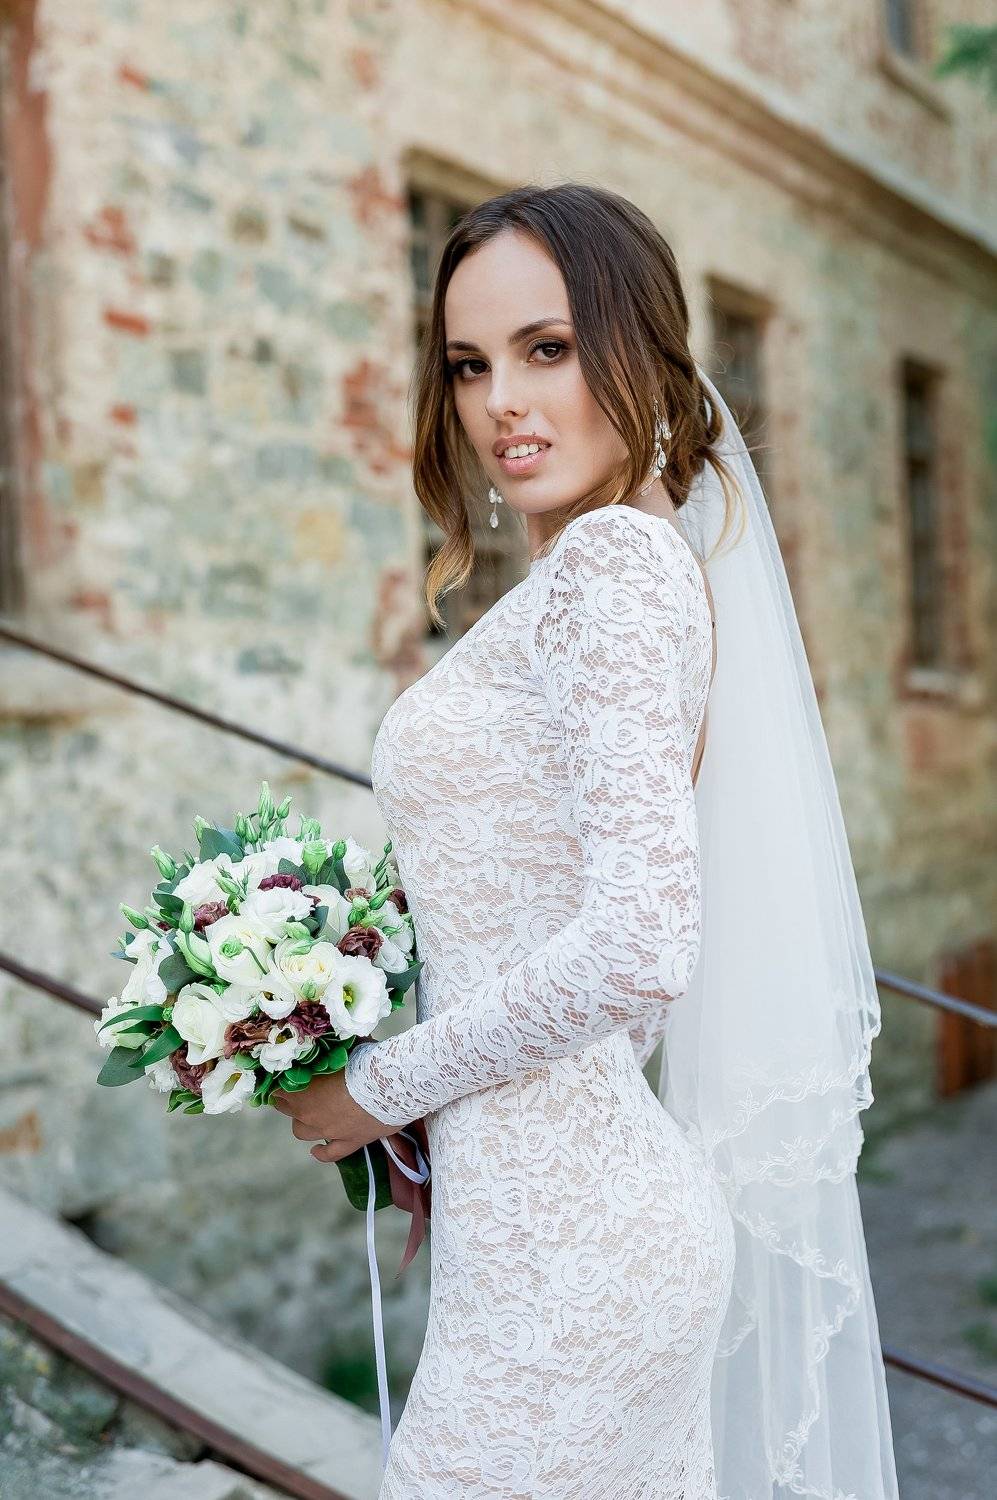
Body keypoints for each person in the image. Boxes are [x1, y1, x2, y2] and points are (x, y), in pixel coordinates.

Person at [272, 182, 899, 1499]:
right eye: (469, 364)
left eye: (545, 349)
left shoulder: (614, 569)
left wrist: (379, 1086)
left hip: (579, 1256)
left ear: (636, 353)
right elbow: (546, 912)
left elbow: (635, 947)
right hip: (530, 1232)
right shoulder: (602, 573)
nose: (502, 400)